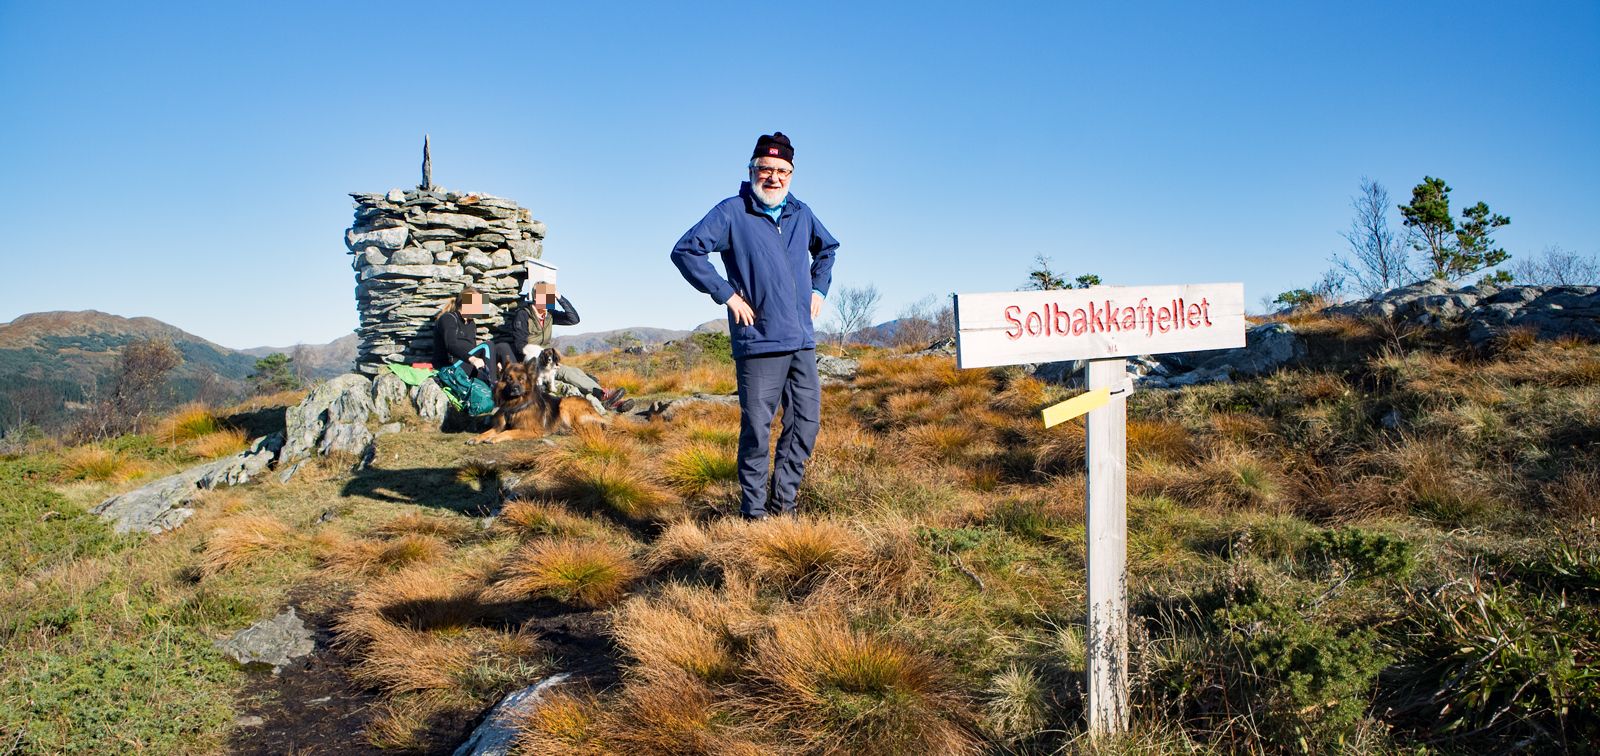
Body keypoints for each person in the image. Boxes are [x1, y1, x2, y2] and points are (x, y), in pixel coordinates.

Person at [670, 132, 839, 519]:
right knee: (758, 432)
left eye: (782, 171)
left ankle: (785, 506)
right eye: (766, 169)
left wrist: (819, 288)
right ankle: (754, 514)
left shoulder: (801, 212)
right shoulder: (732, 212)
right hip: (759, 340)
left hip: (801, 341)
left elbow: (827, 249)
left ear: (791, 175)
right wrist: (727, 295)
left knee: (806, 425)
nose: (774, 178)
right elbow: (685, 251)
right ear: (752, 171)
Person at [496, 280, 632, 413]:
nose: (548, 298)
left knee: (576, 371)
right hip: (532, 362)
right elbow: (521, 346)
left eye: (549, 295)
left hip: (547, 360)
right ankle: (604, 396)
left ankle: (606, 397)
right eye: (545, 295)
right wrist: (544, 359)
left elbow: (574, 319)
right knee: (568, 374)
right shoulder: (524, 314)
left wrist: (559, 297)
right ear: (536, 296)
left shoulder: (550, 315)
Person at [434, 287, 498, 386]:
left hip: (466, 365)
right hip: (451, 366)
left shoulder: (471, 324)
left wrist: (494, 362)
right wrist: (472, 359)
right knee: (487, 345)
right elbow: (451, 345)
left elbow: (472, 348)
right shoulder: (448, 318)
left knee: (503, 347)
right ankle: (493, 386)